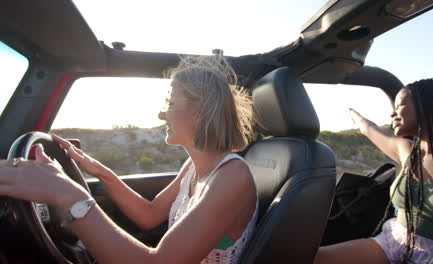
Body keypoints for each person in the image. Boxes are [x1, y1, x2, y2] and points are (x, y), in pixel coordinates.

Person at [0, 55, 258, 264]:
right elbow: (148, 215)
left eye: (170, 102)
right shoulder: (193, 167)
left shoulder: (232, 177)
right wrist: (100, 172)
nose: (161, 113)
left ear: (201, 112)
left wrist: (66, 194)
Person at [313, 78, 433, 264]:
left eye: (400, 105)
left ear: (431, 107)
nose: (392, 114)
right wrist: (353, 114)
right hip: (393, 241)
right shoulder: (406, 151)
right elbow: (369, 129)